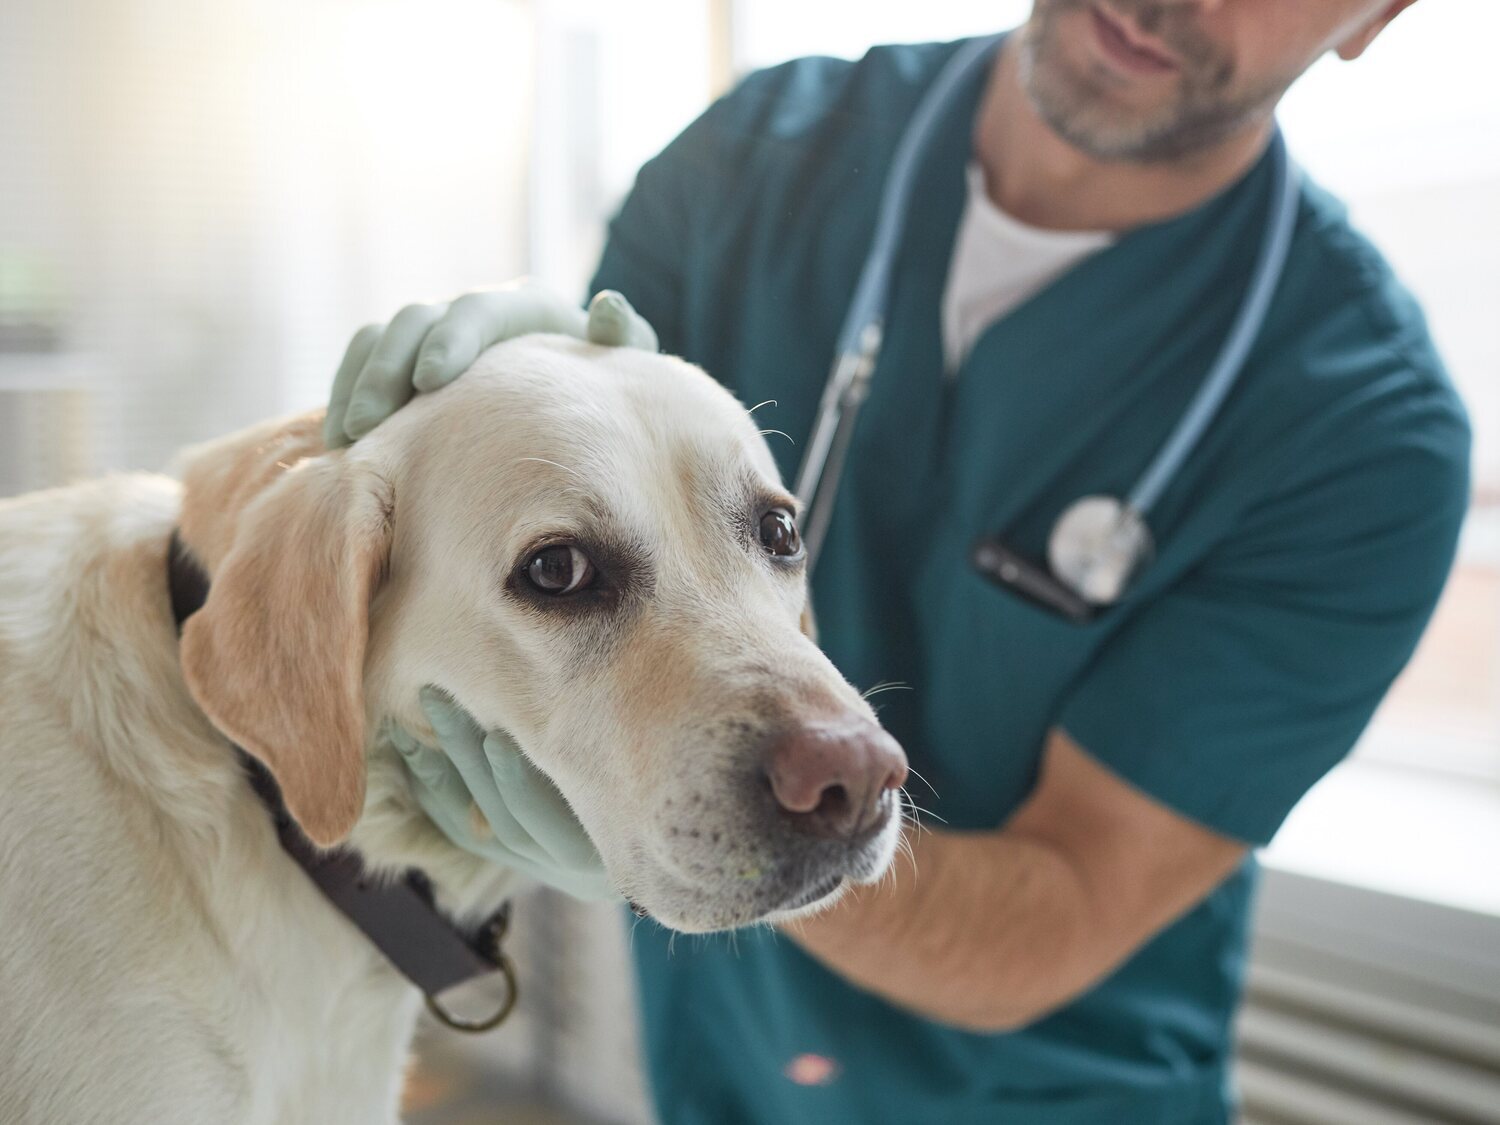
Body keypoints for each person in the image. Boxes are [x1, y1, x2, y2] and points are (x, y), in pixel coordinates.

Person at [323, 1, 1471, 1120]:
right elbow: (566, 499)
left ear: (1379, 17)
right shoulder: (748, 164)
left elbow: (1061, 907)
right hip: (714, 1077)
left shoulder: (1363, 437)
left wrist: (738, 825)